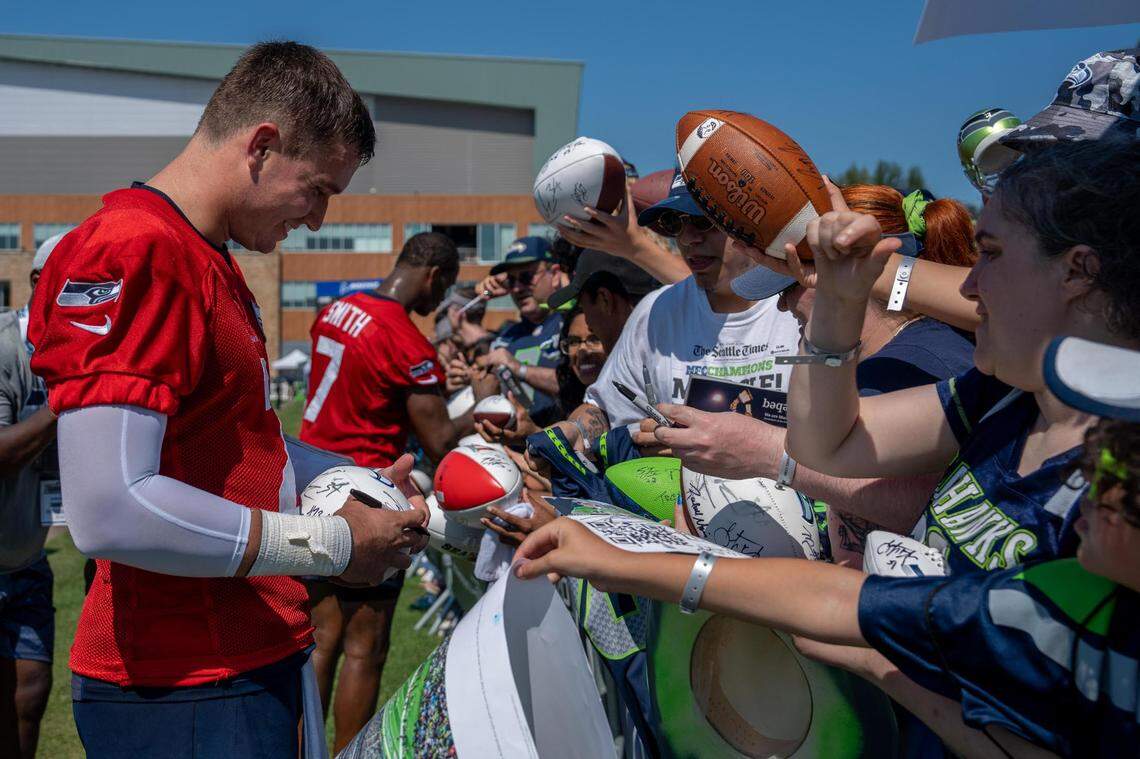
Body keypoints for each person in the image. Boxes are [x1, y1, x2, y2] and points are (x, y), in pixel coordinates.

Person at [27, 42, 429, 758]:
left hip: (244, 656)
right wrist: (332, 543)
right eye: (317, 189)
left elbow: (241, 439)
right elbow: (108, 507)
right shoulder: (133, 248)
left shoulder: (205, 255)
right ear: (262, 147)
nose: (315, 219)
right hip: (184, 680)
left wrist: (358, 482)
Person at [783, 137, 1139, 575]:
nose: (968, 286)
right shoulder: (1005, 394)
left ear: (1078, 270)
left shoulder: (1123, 479)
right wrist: (838, 296)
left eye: (989, 253)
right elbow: (822, 446)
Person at [656, 183, 978, 565]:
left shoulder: (901, 369)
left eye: (795, 282)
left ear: (863, 275)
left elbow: (917, 505)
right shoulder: (923, 347)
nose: (782, 302)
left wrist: (761, 452)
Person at [298, 231, 478, 753]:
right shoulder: (405, 341)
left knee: (319, 636)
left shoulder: (340, 308)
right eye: (443, 289)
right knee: (365, 643)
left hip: (313, 485)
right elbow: (440, 438)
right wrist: (481, 402)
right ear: (433, 276)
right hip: (368, 495)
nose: (439, 301)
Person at [561, 169, 800, 455]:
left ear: (751, 222)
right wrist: (572, 432)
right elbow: (604, 409)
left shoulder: (802, 308)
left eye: (703, 220)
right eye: (673, 222)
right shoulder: (655, 311)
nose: (687, 238)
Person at [0, 234, 62, 759]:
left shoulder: (78, 349)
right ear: (41, 283)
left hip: (28, 558)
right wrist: (70, 398)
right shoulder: (4, 347)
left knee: (32, 691)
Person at [472, 236, 568, 427]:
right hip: (513, 447)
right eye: (511, 280)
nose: (517, 288)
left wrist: (518, 368)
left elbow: (577, 386)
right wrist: (474, 378)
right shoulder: (505, 336)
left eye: (526, 277)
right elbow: (487, 406)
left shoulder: (572, 323)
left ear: (555, 274)